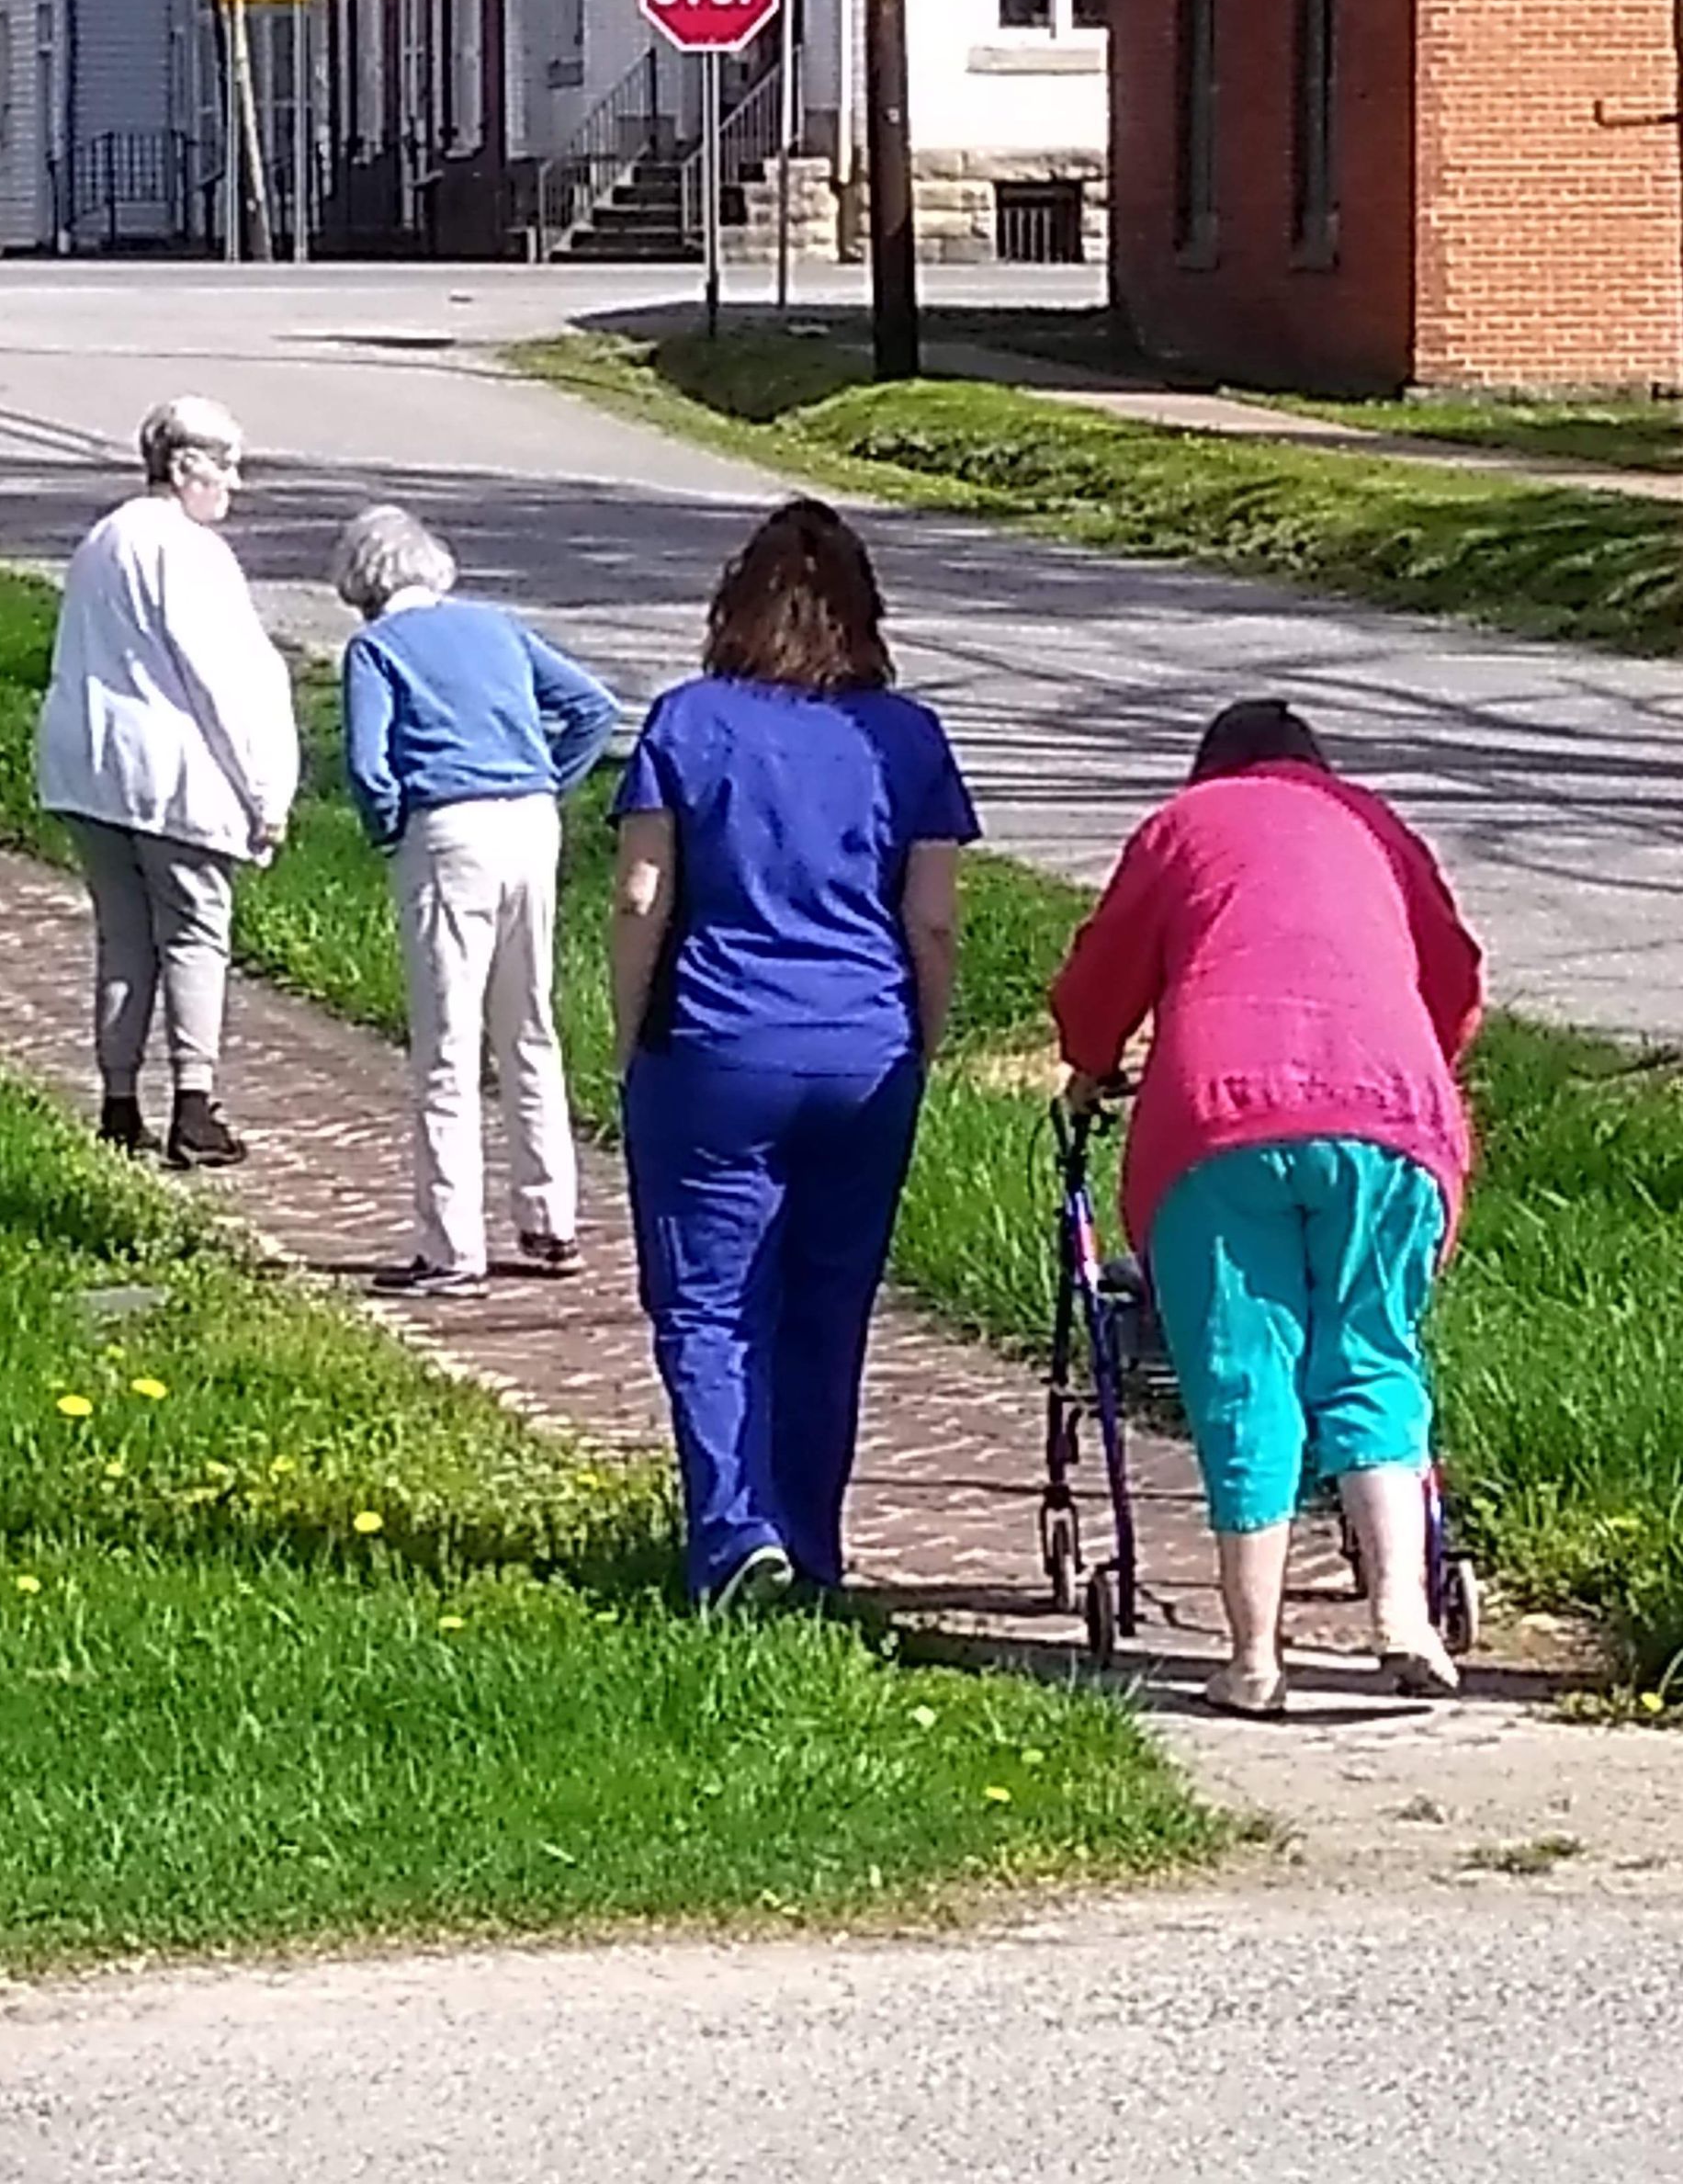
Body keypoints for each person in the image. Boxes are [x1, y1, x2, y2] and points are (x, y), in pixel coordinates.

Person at [1050, 699, 1484, 1716]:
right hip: (1386, 1114)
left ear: (1212, 771)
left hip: (1220, 1115)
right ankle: (1402, 1610)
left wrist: (1090, 1063)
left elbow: (1102, 978)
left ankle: (1253, 1657)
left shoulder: (1184, 826)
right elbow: (1453, 977)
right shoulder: (1373, 823)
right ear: (1313, 766)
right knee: (1371, 1354)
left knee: (1246, 1374)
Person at [611, 497, 979, 1613]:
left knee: (710, 1304)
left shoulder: (688, 722)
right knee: (830, 1303)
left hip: (717, 1041)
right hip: (865, 1048)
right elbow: (933, 919)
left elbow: (640, 893)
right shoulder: (907, 737)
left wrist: (630, 1033)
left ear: (736, 605)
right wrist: (924, 1035)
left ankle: (736, 1533)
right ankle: (813, 1542)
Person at [336, 504, 619, 1300]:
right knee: (529, 1026)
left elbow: (368, 764)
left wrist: (389, 829)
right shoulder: (496, 626)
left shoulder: (376, 648)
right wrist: (547, 780)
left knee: (448, 1043)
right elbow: (592, 708)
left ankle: (450, 1246)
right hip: (531, 822)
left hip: (448, 831)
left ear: (361, 583)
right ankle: (551, 1218)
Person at [37, 395, 299, 1169]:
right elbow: (224, 680)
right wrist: (265, 793)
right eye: (227, 466)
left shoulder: (102, 539)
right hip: (172, 775)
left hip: (90, 769)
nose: (235, 483)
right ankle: (194, 1103)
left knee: (122, 936)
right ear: (186, 467)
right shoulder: (189, 552)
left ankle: (119, 1103)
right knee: (193, 934)